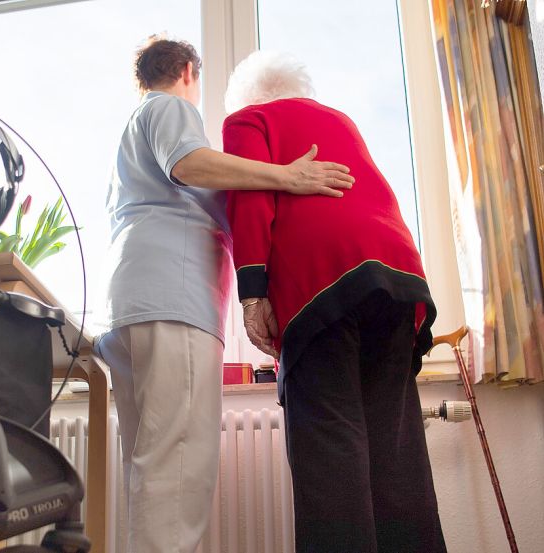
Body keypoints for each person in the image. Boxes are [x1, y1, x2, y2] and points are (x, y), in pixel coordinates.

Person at [95, 37, 354, 553]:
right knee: (179, 474)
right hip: (173, 302)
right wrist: (287, 174)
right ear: (189, 70)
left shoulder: (131, 137)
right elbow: (190, 164)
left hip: (129, 307)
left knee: (150, 469)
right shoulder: (170, 107)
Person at [223, 50, 446, 553]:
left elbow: (251, 199)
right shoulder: (339, 121)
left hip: (322, 285)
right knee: (396, 454)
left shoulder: (247, 121)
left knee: (331, 455)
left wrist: (253, 293)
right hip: (396, 281)